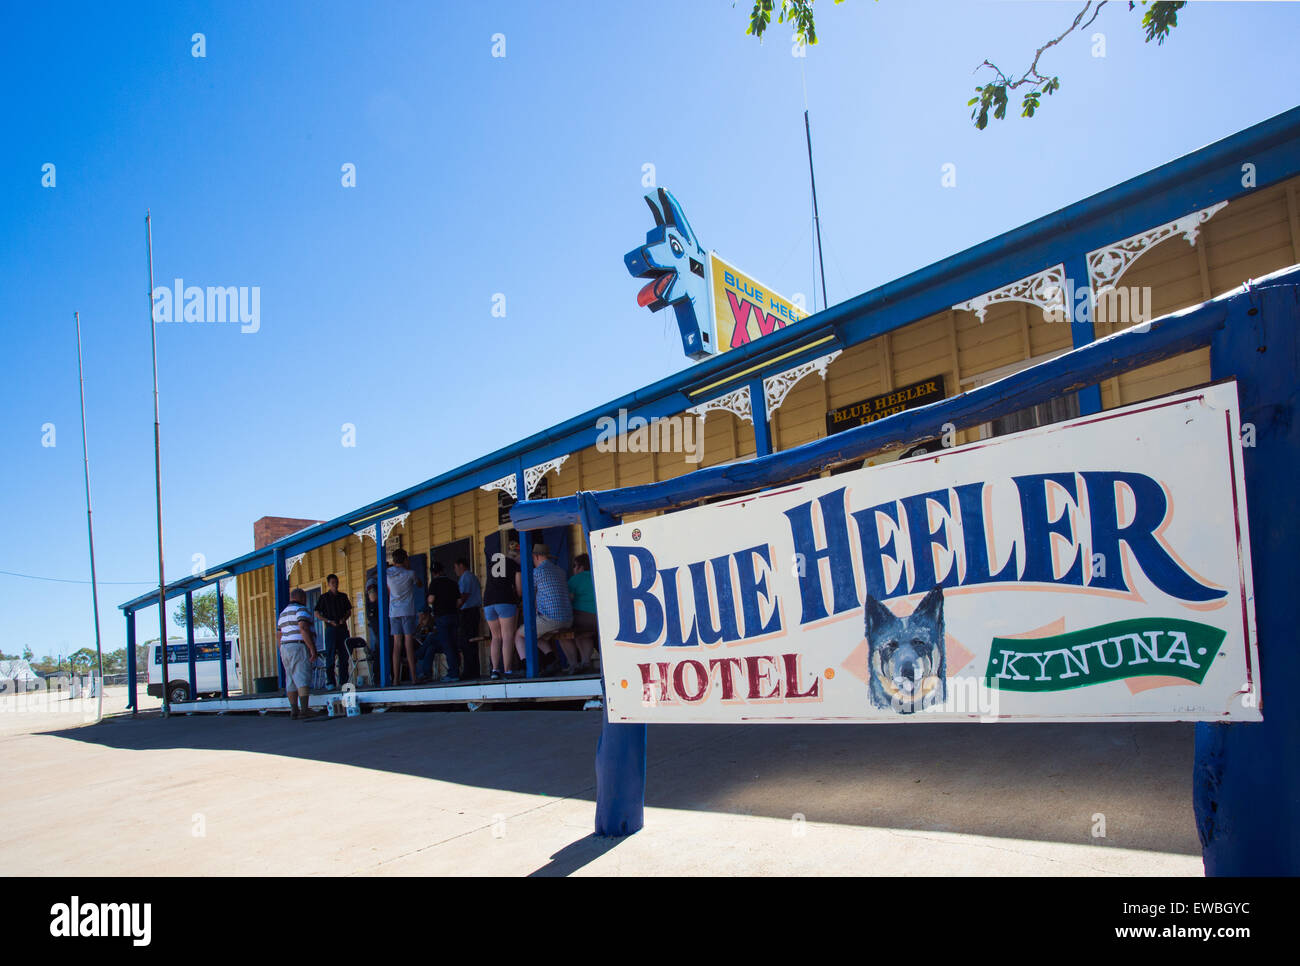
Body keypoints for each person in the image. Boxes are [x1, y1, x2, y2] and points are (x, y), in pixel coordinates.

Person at [514, 543, 575, 675]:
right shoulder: (560, 571)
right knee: (536, 633)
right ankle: (552, 661)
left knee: (520, 634)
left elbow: (525, 594)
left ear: (535, 557)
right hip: (568, 618)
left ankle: (525, 668)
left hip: (551, 618)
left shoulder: (536, 572)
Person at [482, 539, 522, 680]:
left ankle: (494, 670)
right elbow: (519, 589)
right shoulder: (515, 565)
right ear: (517, 555)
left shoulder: (495, 562)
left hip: (488, 602)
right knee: (507, 636)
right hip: (505, 600)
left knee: (496, 637)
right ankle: (508, 670)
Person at [277, 588, 318, 719]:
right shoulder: (301, 610)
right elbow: (303, 628)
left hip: (284, 647)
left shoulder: (283, 613)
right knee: (301, 675)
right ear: (301, 598)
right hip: (298, 645)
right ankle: (304, 710)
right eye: (305, 598)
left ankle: (293, 709)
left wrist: (281, 650)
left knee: (290, 679)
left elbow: (279, 635)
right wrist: (311, 647)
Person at [386, 548, 423, 684]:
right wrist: (409, 567)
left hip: (393, 613)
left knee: (397, 645)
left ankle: (395, 679)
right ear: (405, 559)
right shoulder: (410, 573)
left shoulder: (387, 573)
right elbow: (419, 584)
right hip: (407, 611)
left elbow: (377, 575)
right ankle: (414, 677)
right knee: (408, 644)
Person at [314, 573, 353, 690]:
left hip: (342, 628)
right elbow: (317, 613)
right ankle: (330, 681)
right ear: (328, 584)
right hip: (331, 629)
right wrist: (328, 621)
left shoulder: (343, 596)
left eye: (336, 582)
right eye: (332, 583)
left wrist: (343, 619)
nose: (335, 585)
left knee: (344, 655)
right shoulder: (324, 597)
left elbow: (349, 611)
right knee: (330, 655)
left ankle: (344, 682)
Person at [427, 561, 462, 682]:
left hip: (441, 617)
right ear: (442, 570)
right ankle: (457, 670)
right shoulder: (452, 583)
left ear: (433, 573)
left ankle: (453, 673)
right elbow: (459, 601)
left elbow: (431, 599)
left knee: (447, 646)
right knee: (454, 644)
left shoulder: (434, 583)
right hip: (454, 615)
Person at [568, 553, 598, 672]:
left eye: (575, 566)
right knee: (584, 633)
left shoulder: (576, 579)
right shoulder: (597, 575)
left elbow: (567, 599)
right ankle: (585, 662)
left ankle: (574, 664)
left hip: (582, 618)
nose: (574, 569)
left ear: (581, 567)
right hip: (600, 619)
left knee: (563, 630)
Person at [454, 557, 482, 680]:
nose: (455, 571)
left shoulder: (466, 577)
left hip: (468, 612)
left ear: (461, 565)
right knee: (472, 642)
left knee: (467, 642)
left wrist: (454, 608)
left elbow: (463, 596)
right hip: (473, 611)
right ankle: (474, 670)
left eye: (455, 568)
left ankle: (469, 672)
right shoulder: (471, 576)